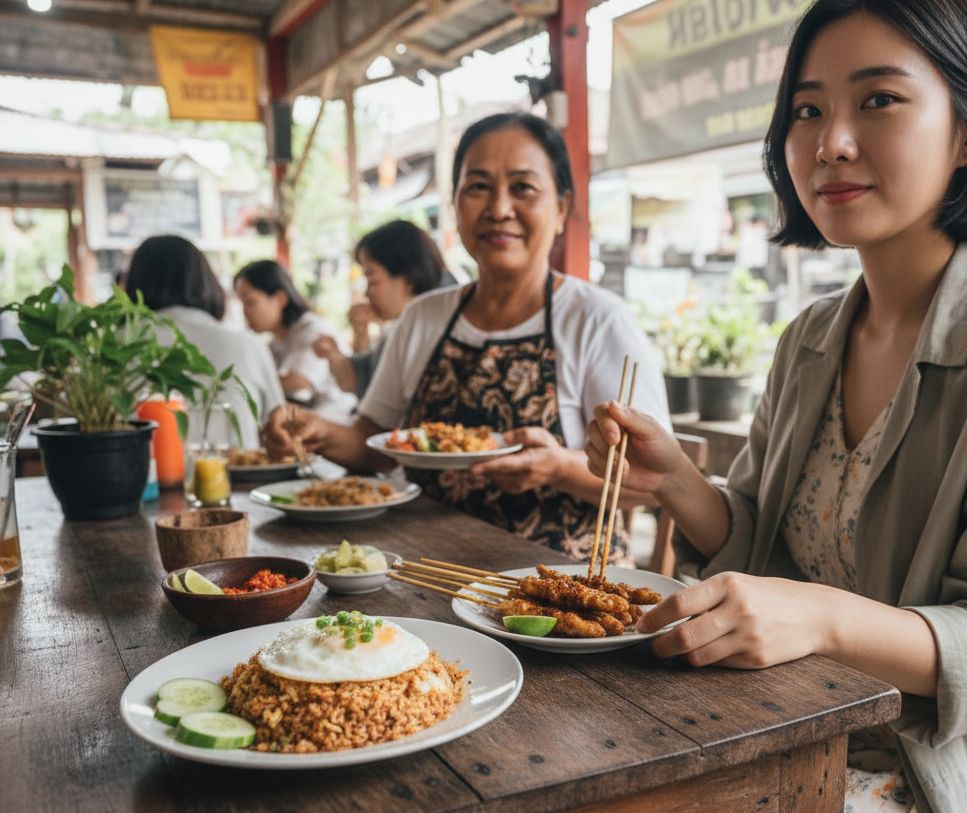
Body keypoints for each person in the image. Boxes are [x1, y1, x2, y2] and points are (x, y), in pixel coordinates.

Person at [502, 0, 967, 813]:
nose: (829, 141)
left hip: (950, 784)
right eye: (805, 109)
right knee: (538, 808)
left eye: (877, 100)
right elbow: (774, 549)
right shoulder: (812, 338)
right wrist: (679, 486)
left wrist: (824, 620)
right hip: (791, 735)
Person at [265, 111, 670, 563]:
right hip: (424, 570)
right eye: (478, 187)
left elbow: (648, 485)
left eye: (523, 188)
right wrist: (315, 431)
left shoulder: (598, 320)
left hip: (561, 601)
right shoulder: (424, 317)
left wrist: (558, 468)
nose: (499, 209)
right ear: (456, 205)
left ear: (560, 209)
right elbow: (374, 444)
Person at [123, 235, 284, 450]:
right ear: (206, 281)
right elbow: (279, 424)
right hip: (242, 479)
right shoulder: (249, 345)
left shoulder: (113, 347)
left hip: (140, 479)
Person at [312, 219, 451, 399]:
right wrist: (352, 338)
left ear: (408, 279)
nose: (367, 293)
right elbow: (358, 382)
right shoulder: (398, 330)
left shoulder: (432, 334)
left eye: (372, 282)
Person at [233, 260, 357, 423]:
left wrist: (240, 385)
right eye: (242, 303)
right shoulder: (275, 342)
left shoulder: (312, 330)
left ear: (280, 299)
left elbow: (298, 380)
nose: (245, 312)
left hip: (338, 420)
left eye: (250, 302)